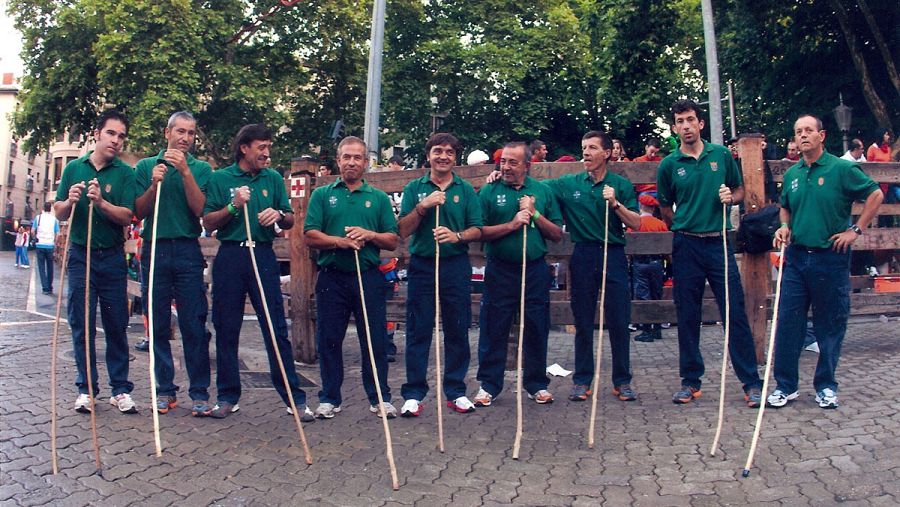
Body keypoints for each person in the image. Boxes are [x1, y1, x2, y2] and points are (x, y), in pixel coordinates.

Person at [767, 114, 883, 410]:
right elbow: (785, 207)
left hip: (830, 257)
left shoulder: (841, 168)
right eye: (798, 131)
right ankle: (785, 386)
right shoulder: (792, 174)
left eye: (809, 130)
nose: (803, 135)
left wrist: (856, 230)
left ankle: (826, 386)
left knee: (829, 324)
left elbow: (876, 194)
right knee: (788, 322)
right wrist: (784, 226)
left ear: (822, 135)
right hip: (796, 258)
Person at [656, 99, 763, 407]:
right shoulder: (669, 164)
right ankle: (690, 382)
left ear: (700, 123)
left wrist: (732, 197)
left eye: (690, 119)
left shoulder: (721, 155)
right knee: (687, 313)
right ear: (674, 128)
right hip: (686, 245)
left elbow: (740, 189)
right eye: (680, 121)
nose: (686, 126)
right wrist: (682, 226)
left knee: (734, 311)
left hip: (718, 242)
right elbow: (664, 206)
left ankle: (751, 383)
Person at [202, 124, 312, 420]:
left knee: (275, 327)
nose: (266, 153)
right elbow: (209, 221)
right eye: (261, 147)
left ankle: (294, 398)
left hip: (262, 255)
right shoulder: (220, 178)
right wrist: (234, 206)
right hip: (231, 255)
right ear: (244, 148)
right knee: (226, 327)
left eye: (268, 147)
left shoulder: (272, 178)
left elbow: (289, 219)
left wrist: (278, 215)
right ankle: (227, 396)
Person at [304, 136, 400, 419]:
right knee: (329, 339)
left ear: (366, 162)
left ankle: (379, 397)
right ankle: (329, 398)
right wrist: (339, 242)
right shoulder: (322, 194)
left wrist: (369, 235)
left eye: (357, 157)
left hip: (367, 276)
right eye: (346, 157)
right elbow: (310, 235)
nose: (351, 162)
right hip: (332, 277)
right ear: (338, 161)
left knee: (374, 339)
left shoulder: (378, 198)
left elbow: (392, 239)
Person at [545, 131, 642, 402]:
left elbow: (636, 223)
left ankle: (622, 381)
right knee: (583, 320)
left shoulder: (620, 185)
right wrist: (496, 175)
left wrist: (616, 204)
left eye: (592, 148)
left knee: (619, 320)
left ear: (607, 153)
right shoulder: (569, 183)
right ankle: (582, 381)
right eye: (583, 147)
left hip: (613, 254)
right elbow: (537, 187)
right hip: (583, 254)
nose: (586, 153)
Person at [54, 109, 138, 414]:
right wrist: (70, 200)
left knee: (116, 324)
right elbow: (59, 212)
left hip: (112, 256)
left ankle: (120, 389)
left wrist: (101, 202)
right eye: (110, 133)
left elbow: (127, 216)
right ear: (97, 134)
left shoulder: (125, 173)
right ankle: (86, 389)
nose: (116, 140)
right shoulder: (73, 168)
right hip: (81, 254)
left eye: (121, 136)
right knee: (82, 324)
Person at [396, 133, 483, 415]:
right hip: (422, 264)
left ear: (455, 157)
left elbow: (477, 229)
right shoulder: (414, 188)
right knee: (418, 328)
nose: (443, 156)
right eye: (438, 151)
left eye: (449, 152)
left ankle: (456, 391)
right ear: (428, 155)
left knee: (457, 328)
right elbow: (402, 230)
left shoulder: (465, 189)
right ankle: (414, 393)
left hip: (455, 264)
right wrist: (423, 207)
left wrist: (457, 236)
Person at [133, 111, 213, 417]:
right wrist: (154, 185)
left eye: (191, 133)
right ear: (167, 133)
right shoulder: (145, 166)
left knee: (194, 322)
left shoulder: (201, 168)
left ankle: (199, 392)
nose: (185, 138)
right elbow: (138, 211)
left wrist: (185, 172)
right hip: (155, 248)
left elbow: (200, 210)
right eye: (180, 131)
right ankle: (164, 390)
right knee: (158, 323)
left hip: (187, 249)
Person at [475, 141, 563, 406]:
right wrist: (512, 224)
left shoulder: (542, 191)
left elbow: (557, 234)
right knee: (494, 326)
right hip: (500, 268)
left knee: (536, 326)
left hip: (534, 268)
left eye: (513, 162)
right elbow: (479, 232)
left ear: (527, 165)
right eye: (503, 161)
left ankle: (536, 384)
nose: (506, 167)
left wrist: (534, 214)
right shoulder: (489, 190)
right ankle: (489, 385)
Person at [629, 194, 668, 342]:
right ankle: (657, 329)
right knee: (656, 294)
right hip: (657, 263)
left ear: (641, 206)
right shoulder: (661, 224)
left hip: (640, 263)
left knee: (643, 295)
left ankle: (646, 330)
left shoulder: (635, 223)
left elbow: (629, 245)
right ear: (653, 208)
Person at [34, 202, 59, 293]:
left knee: (41, 267)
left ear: (43, 208)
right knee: (50, 267)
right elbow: (57, 234)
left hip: (40, 244)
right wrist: (55, 243)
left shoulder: (38, 218)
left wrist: (35, 237)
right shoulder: (54, 219)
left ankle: (45, 288)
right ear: (50, 209)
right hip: (50, 245)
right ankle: (50, 286)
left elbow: (32, 231)